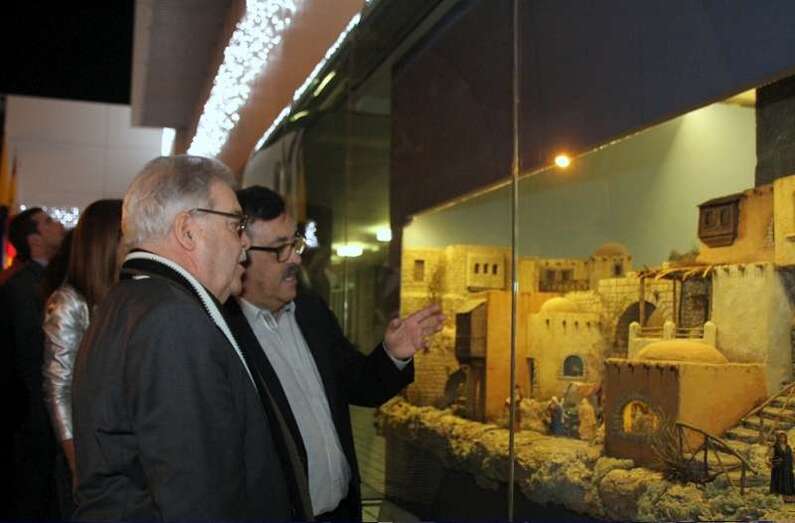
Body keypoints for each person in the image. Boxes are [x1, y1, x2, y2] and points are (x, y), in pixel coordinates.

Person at [71, 156, 303, 521]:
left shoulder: (129, 301)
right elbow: (199, 500)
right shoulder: (174, 321)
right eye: (236, 225)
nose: (245, 244)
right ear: (187, 231)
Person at [224, 185, 444, 521]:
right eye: (281, 248)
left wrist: (393, 353)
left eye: (295, 243)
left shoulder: (311, 313)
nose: (296, 259)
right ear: (241, 253)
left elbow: (360, 385)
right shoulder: (224, 335)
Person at [42, 199, 122, 518]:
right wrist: (75, 458)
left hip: (113, 444)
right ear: (107, 241)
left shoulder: (122, 296)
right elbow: (57, 388)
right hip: (86, 449)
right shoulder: (69, 302)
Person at [0, 207, 65, 519]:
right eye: (48, 222)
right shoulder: (24, 287)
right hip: (33, 418)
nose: (58, 225)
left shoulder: (47, 279)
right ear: (34, 240)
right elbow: (32, 357)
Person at [770, 431, 795, 497]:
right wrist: (774, 462)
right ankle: (778, 493)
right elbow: (771, 456)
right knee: (779, 479)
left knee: (787, 478)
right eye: (781, 437)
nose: (782, 439)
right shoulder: (775, 446)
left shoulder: (788, 446)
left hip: (787, 466)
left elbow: (792, 456)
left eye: (784, 437)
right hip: (779, 466)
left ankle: (787, 493)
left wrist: (793, 462)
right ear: (778, 438)